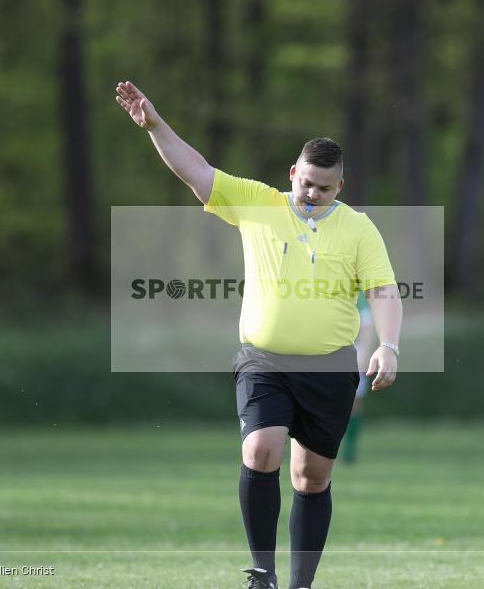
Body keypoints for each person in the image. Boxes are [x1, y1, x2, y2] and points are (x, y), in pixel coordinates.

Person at [117, 81, 402, 589]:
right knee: (260, 451)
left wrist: (389, 344)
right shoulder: (258, 203)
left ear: (342, 186)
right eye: (306, 182)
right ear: (293, 173)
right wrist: (156, 126)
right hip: (263, 361)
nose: (312, 194)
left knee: (311, 478)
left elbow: (383, 292)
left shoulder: (359, 230)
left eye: (325, 187)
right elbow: (196, 172)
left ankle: (300, 584)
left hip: (330, 366)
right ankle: (262, 576)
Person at [341, 292, 376, 464]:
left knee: (354, 403)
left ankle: (349, 452)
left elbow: (368, 326)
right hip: (325, 352)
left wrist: (363, 355)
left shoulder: (359, 296)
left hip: (352, 354)